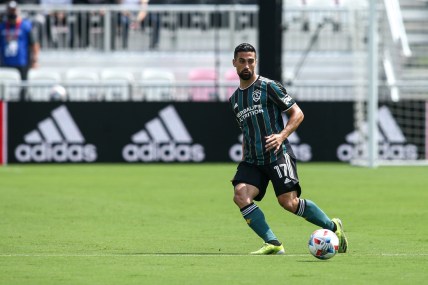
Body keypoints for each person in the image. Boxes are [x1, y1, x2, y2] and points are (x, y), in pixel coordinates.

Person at [229, 43, 348, 255]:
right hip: (253, 160)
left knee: (288, 203)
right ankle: (273, 243)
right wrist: (244, 156)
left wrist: (281, 135)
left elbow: (297, 114)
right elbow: (247, 132)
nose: (246, 65)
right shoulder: (235, 99)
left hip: (277, 155)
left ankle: (333, 227)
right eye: (242, 61)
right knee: (240, 195)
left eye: (250, 61)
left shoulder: (268, 86)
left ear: (255, 62)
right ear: (234, 63)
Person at [0, 0, 40, 100]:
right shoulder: (2, 26)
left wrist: (35, 60)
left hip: (22, 63)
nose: (11, 13)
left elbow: (34, 44)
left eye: (13, 11)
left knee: (23, 89)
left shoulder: (25, 25)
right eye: (10, 10)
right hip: (6, 62)